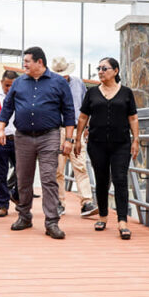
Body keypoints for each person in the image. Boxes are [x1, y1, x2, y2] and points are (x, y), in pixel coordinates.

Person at [0, 46, 75, 240]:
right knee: (23, 179)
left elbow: (69, 111)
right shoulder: (18, 83)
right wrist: (0, 129)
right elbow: (7, 108)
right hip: (23, 136)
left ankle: (51, 222)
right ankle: (24, 216)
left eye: (27, 62)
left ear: (40, 62)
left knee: (48, 178)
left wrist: (69, 140)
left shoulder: (58, 82)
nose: (24, 65)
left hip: (49, 136)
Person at [74, 57, 139, 240]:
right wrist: (77, 139)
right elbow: (82, 117)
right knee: (101, 180)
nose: (100, 71)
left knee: (120, 180)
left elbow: (133, 118)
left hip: (121, 144)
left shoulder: (126, 92)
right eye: (99, 68)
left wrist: (136, 140)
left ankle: (122, 221)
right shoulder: (92, 93)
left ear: (116, 71)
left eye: (105, 68)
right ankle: (103, 216)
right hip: (97, 144)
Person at [50, 56, 96, 218]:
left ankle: (86, 202)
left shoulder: (78, 83)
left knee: (81, 166)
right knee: (57, 170)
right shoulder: (50, 84)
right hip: (57, 130)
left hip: (77, 130)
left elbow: (85, 106)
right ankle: (59, 203)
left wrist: (87, 127)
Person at [0, 70, 20, 217]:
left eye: (12, 85)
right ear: (1, 82)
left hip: (19, 140)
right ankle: (2, 205)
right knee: (1, 174)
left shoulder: (21, 95)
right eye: (6, 85)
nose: (9, 88)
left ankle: (16, 195)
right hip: (1, 139)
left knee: (22, 172)